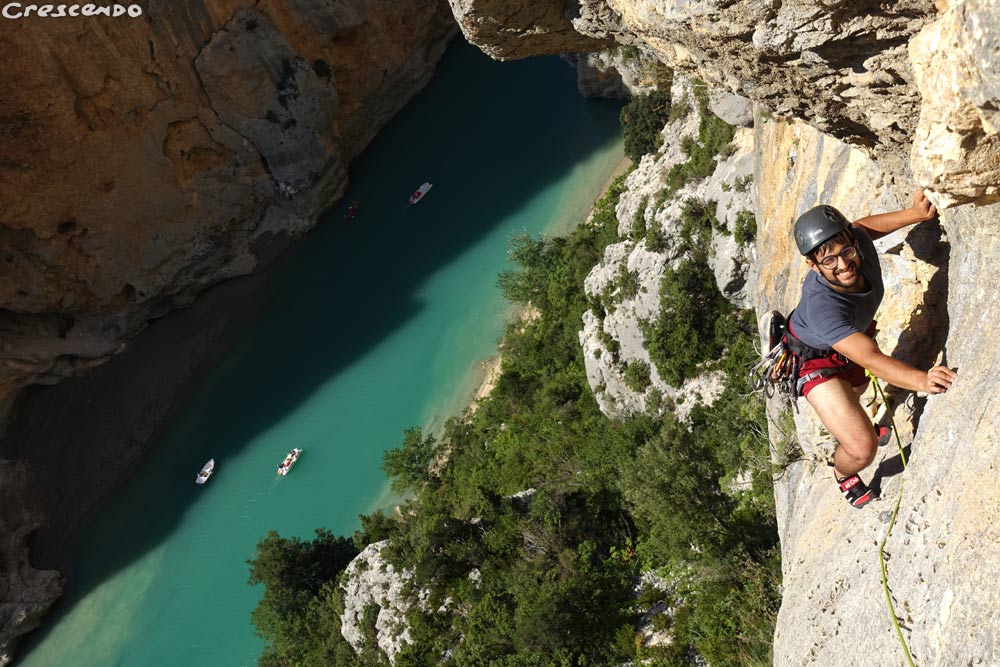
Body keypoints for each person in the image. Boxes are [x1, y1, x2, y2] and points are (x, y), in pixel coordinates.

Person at [787, 189, 957, 508]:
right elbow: (871, 359)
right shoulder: (823, 308)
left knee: (859, 388)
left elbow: (865, 227)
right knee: (862, 448)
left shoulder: (857, 243)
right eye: (829, 261)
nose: (844, 265)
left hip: (848, 337)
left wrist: (914, 214)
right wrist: (922, 381)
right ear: (813, 265)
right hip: (812, 359)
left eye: (846, 251)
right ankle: (842, 472)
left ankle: (853, 421)